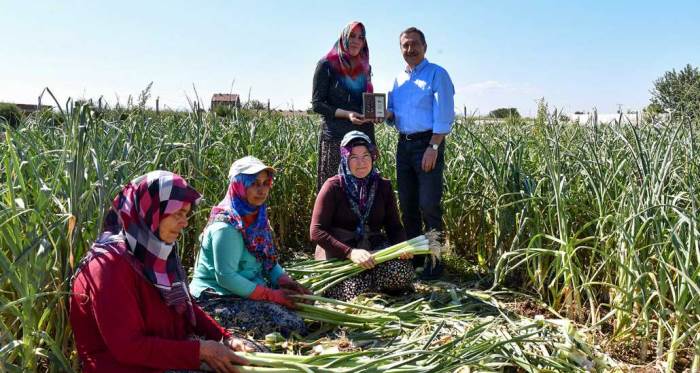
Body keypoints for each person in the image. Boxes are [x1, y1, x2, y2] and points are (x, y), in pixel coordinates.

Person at [70, 171, 250, 373]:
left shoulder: (155, 252)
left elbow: (183, 305)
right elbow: (128, 348)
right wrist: (200, 351)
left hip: (161, 362)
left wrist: (224, 337)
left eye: (186, 214)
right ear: (151, 212)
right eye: (178, 214)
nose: (185, 222)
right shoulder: (108, 266)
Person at [190, 156, 310, 338]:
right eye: (254, 184)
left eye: (265, 183)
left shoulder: (257, 217)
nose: (261, 190)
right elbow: (226, 277)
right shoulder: (226, 226)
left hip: (246, 289)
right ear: (239, 185)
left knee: (302, 311)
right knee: (292, 325)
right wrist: (272, 295)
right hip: (216, 298)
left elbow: (266, 259)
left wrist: (285, 281)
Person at [310, 131, 415, 301]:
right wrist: (350, 253)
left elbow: (394, 226)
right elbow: (317, 232)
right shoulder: (333, 187)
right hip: (340, 253)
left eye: (366, 155)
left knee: (401, 274)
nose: (361, 163)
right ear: (345, 159)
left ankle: (376, 286)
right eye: (354, 157)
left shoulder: (383, 186)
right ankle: (372, 288)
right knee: (355, 291)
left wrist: (401, 246)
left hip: (374, 251)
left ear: (373, 157)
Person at [386, 27, 455, 280]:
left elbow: (445, 114)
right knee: (408, 205)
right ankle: (417, 259)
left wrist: (433, 147)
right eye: (405, 45)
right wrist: (383, 113)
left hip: (428, 144)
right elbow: (391, 112)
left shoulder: (437, 74)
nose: (410, 49)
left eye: (414, 44)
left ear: (425, 46)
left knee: (429, 205)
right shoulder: (398, 79)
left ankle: (436, 261)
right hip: (403, 145)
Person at [312, 21, 380, 191]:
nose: (356, 41)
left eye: (361, 37)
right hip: (336, 140)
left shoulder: (365, 67)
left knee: (360, 193)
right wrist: (347, 114)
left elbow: (367, 105)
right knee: (334, 191)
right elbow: (318, 104)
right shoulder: (326, 64)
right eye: (352, 36)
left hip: (361, 142)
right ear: (343, 37)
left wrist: (372, 142)